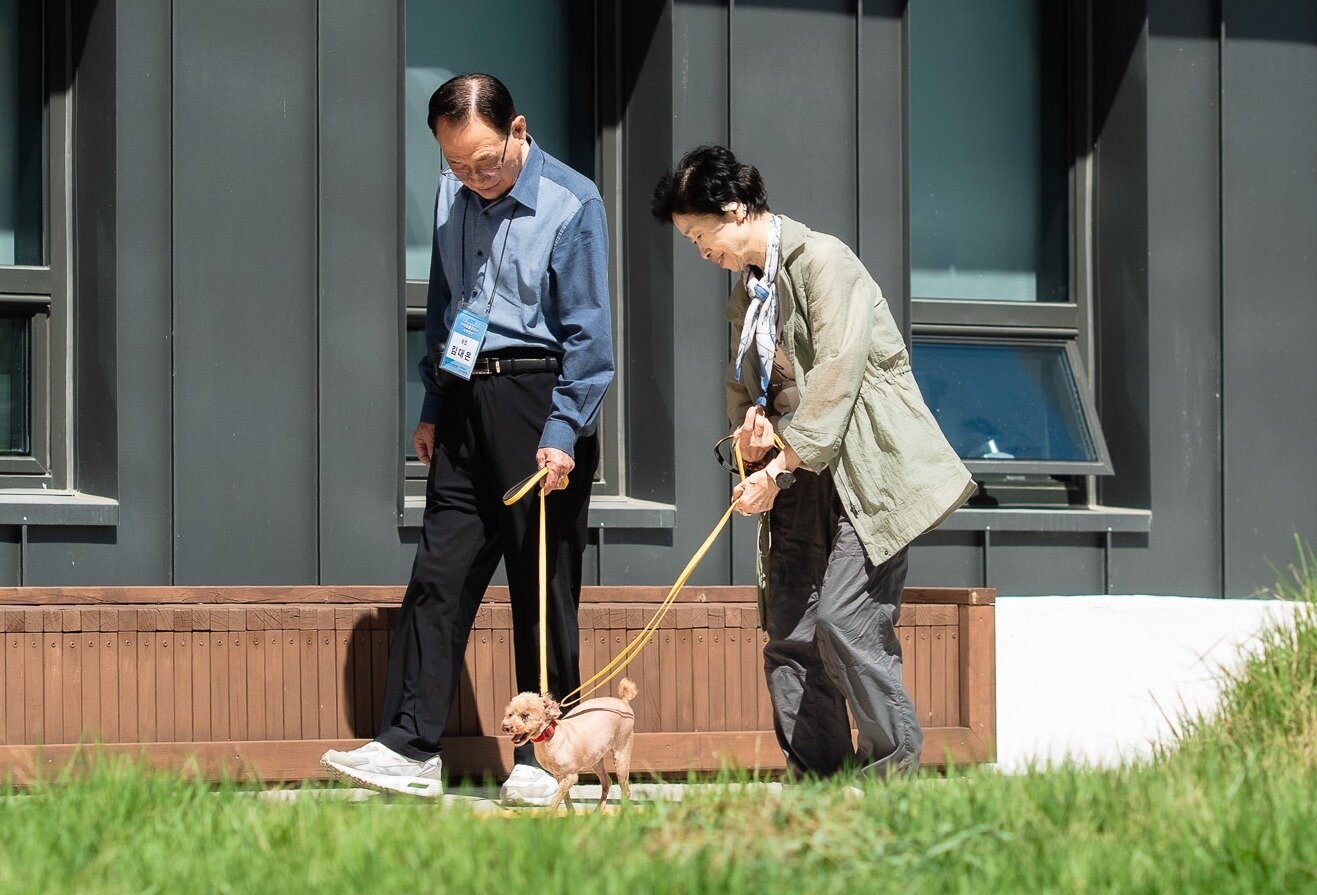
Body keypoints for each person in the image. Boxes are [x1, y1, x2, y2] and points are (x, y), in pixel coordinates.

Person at [323, 74, 614, 802]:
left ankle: (541, 762)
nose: (473, 178)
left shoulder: (572, 202)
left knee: (540, 583)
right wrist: (433, 403)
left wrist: (562, 429)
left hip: (538, 397)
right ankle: (408, 746)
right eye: (455, 164)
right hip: (463, 401)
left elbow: (589, 333)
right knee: (438, 573)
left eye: (485, 161)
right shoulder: (453, 194)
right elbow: (448, 307)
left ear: (518, 130)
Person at [651, 145, 973, 779]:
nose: (700, 251)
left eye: (699, 233)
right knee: (791, 632)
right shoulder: (749, 294)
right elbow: (744, 395)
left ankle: (894, 787)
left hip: (863, 472)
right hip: (798, 474)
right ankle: (817, 788)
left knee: (846, 622)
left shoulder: (823, 260)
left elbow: (836, 381)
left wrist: (775, 469)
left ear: (734, 208)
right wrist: (749, 443)